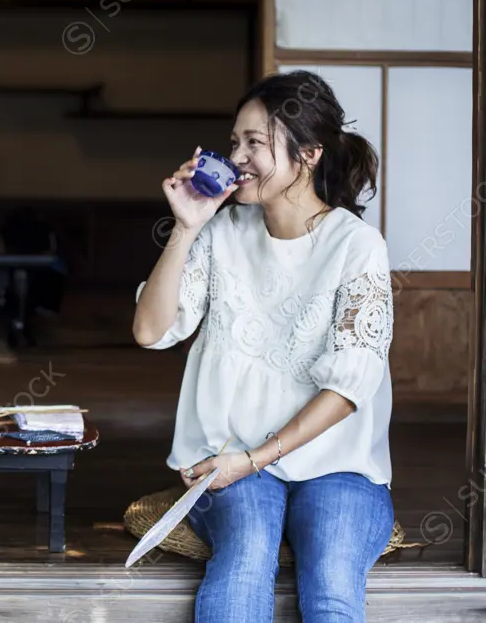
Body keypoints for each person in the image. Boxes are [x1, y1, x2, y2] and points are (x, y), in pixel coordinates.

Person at [133, 70, 394, 623]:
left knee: (330, 582)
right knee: (246, 556)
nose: (238, 156)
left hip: (337, 466)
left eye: (256, 142)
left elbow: (348, 389)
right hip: (228, 457)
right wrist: (186, 227)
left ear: (309, 154)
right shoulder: (222, 230)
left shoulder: (356, 246)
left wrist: (253, 458)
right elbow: (150, 331)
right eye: (234, 142)